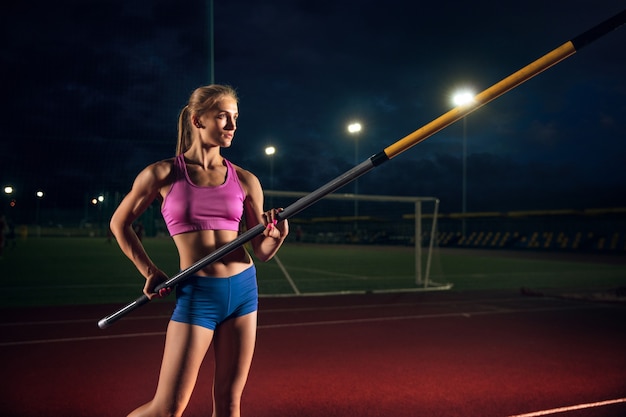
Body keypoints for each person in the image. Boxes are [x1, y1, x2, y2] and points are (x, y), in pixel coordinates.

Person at [109, 84, 289, 417]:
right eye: (223, 117)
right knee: (168, 408)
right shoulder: (161, 173)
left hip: (244, 291)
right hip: (199, 294)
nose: (232, 126)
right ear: (197, 120)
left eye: (235, 118)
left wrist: (275, 236)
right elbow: (119, 224)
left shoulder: (246, 180)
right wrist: (149, 270)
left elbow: (261, 251)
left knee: (230, 402)